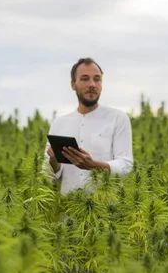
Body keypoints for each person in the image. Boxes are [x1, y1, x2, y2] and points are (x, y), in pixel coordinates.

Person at [45, 57, 134, 195]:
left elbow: (125, 165)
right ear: (73, 84)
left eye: (97, 79)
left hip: (106, 211)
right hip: (68, 211)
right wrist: (53, 160)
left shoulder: (118, 118)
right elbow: (48, 176)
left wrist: (93, 166)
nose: (92, 84)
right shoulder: (59, 123)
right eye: (85, 79)